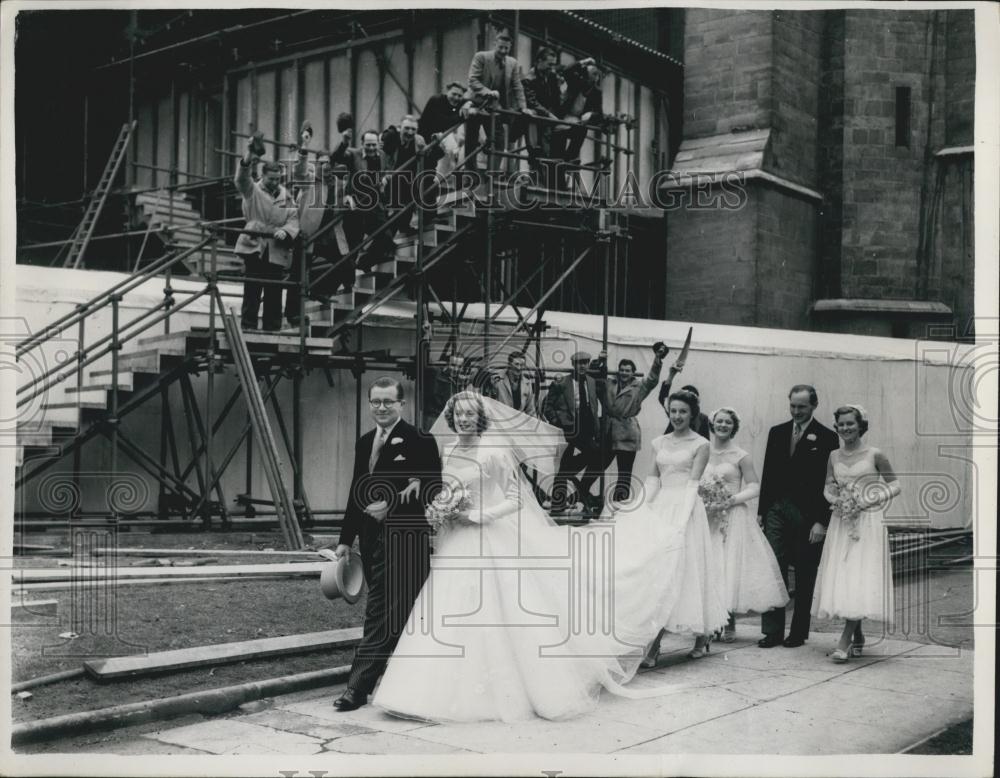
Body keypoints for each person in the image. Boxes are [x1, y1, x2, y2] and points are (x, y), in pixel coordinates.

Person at [372, 392, 689, 722]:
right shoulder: (448, 448)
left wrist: (479, 515)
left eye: (469, 414)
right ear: (452, 418)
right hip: (456, 542)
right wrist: (441, 509)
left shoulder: (494, 451)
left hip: (487, 537)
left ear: (479, 418)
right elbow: (445, 488)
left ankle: (501, 694)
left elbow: (514, 499)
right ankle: (420, 693)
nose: (464, 419)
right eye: (459, 414)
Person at [331, 377, 442, 712]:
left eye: (388, 402)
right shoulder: (365, 441)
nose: (381, 408)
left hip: (406, 540)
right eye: (375, 402)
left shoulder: (420, 440)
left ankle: (358, 688)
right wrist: (344, 540)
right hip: (372, 540)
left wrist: (392, 502)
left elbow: (433, 488)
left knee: (382, 614)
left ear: (401, 404)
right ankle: (410, 684)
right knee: (398, 615)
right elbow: (356, 490)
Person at [629, 390, 729, 665]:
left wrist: (681, 522)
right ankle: (654, 641)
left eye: (683, 411)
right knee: (659, 575)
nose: (677, 416)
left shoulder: (700, 444)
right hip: (662, 506)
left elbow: (691, 485)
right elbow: (652, 480)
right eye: (673, 411)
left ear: (692, 414)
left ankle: (699, 636)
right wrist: (638, 511)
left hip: (686, 510)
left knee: (687, 572)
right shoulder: (658, 442)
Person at [812, 405, 900, 662]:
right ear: (836, 427)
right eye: (841, 424)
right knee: (846, 575)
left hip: (867, 522)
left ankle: (845, 639)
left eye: (850, 423)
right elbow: (828, 485)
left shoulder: (875, 454)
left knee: (860, 574)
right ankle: (857, 634)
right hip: (842, 520)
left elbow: (895, 485)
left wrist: (869, 500)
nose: (845, 428)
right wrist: (835, 499)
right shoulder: (833, 455)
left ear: (860, 424)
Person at [757, 384, 840, 649]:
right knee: (773, 568)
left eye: (802, 406)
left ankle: (798, 631)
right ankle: (772, 631)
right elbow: (768, 473)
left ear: (814, 405)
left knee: (805, 572)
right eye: (792, 406)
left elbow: (830, 482)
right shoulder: (777, 432)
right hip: (776, 511)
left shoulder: (827, 437)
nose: (796, 411)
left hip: (807, 514)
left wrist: (821, 521)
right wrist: (762, 511)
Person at [702, 407, 788, 644]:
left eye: (727, 423)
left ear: (734, 427)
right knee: (710, 566)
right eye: (718, 421)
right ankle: (711, 622)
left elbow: (754, 486)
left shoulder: (741, 455)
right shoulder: (702, 451)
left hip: (732, 515)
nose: (722, 426)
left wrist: (731, 500)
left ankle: (729, 622)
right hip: (707, 515)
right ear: (712, 424)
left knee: (729, 568)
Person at [234, 139, 300, 332]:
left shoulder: (286, 195)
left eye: (278, 179)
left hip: (276, 250)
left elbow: (293, 217)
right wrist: (247, 156)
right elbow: (241, 179)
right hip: (255, 246)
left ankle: (272, 328)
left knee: (274, 291)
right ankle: (248, 327)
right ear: (263, 176)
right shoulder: (252, 190)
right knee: (252, 290)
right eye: (271, 179)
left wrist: (286, 231)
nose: (274, 182)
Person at [599, 344, 666, 504]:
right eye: (622, 369)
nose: (624, 373)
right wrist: (599, 362)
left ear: (632, 372)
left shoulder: (639, 387)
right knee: (597, 466)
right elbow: (595, 378)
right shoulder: (610, 383)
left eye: (627, 370)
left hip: (627, 433)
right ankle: (587, 496)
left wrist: (657, 360)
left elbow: (652, 379)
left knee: (624, 473)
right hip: (608, 431)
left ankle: (619, 504)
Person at [542, 350, 606, 514]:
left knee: (594, 457)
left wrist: (596, 429)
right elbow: (547, 406)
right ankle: (561, 502)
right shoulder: (561, 382)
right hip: (569, 428)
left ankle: (566, 497)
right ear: (573, 365)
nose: (583, 366)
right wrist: (558, 422)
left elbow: (595, 405)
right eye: (579, 363)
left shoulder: (591, 382)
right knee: (574, 459)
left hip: (587, 428)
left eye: (585, 362)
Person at [466, 26, 534, 171]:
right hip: (477, 103)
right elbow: (472, 80)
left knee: (499, 142)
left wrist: (523, 107)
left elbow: (517, 87)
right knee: (471, 141)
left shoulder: (512, 63)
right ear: (494, 45)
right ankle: (471, 174)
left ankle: (491, 175)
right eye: (501, 48)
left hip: (495, 108)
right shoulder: (481, 57)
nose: (503, 51)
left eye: (506, 49)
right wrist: (487, 92)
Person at [329, 127, 396, 273]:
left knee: (386, 238)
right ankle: (348, 281)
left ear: (378, 143)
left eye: (374, 145)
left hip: (375, 204)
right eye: (368, 145)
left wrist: (385, 177)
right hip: (356, 204)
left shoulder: (383, 155)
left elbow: (389, 167)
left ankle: (364, 263)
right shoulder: (354, 154)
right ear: (362, 144)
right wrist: (345, 142)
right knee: (354, 242)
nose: (371, 148)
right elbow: (335, 157)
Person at [553, 57, 605, 167]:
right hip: (563, 118)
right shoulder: (576, 82)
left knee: (582, 130)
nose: (595, 78)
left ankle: (569, 158)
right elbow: (567, 71)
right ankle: (561, 161)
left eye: (597, 75)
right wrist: (583, 62)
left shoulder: (596, 92)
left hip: (578, 121)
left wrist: (591, 114)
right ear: (585, 74)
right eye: (593, 74)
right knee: (557, 152)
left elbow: (600, 113)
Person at [521, 46, 562, 185]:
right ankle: (537, 183)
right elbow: (531, 102)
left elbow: (556, 98)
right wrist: (549, 114)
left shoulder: (552, 76)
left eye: (553, 64)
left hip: (547, 121)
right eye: (549, 64)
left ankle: (547, 183)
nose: (552, 67)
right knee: (535, 151)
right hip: (534, 120)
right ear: (539, 61)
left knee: (548, 152)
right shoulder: (528, 79)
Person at [493, 351, 539, 417]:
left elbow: (531, 410)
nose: (519, 368)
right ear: (509, 364)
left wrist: (533, 424)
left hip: (518, 422)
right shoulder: (497, 381)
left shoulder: (527, 384)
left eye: (522, 365)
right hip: (500, 421)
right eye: (516, 364)